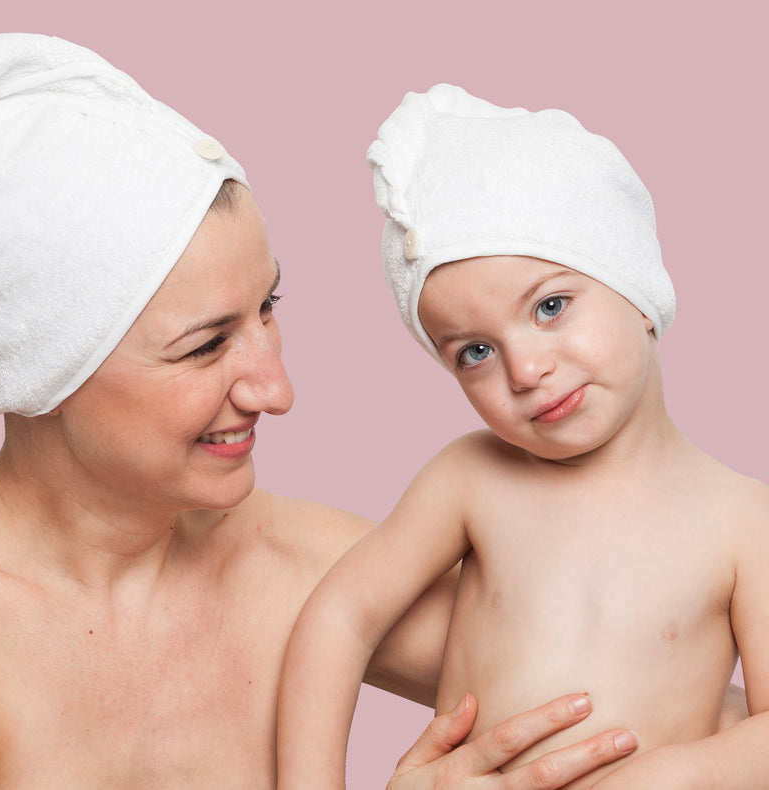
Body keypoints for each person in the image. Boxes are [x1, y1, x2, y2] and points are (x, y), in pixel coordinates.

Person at [0, 37, 731, 789]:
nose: (276, 390)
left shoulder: (305, 566)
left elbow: (650, 700)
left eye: (268, 309)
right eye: (205, 347)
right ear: (41, 372)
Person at [277, 84, 769, 790]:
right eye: (475, 352)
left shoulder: (745, 522)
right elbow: (337, 619)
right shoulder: (470, 477)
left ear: (637, 287)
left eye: (550, 306)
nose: (526, 370)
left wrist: (670, 775)